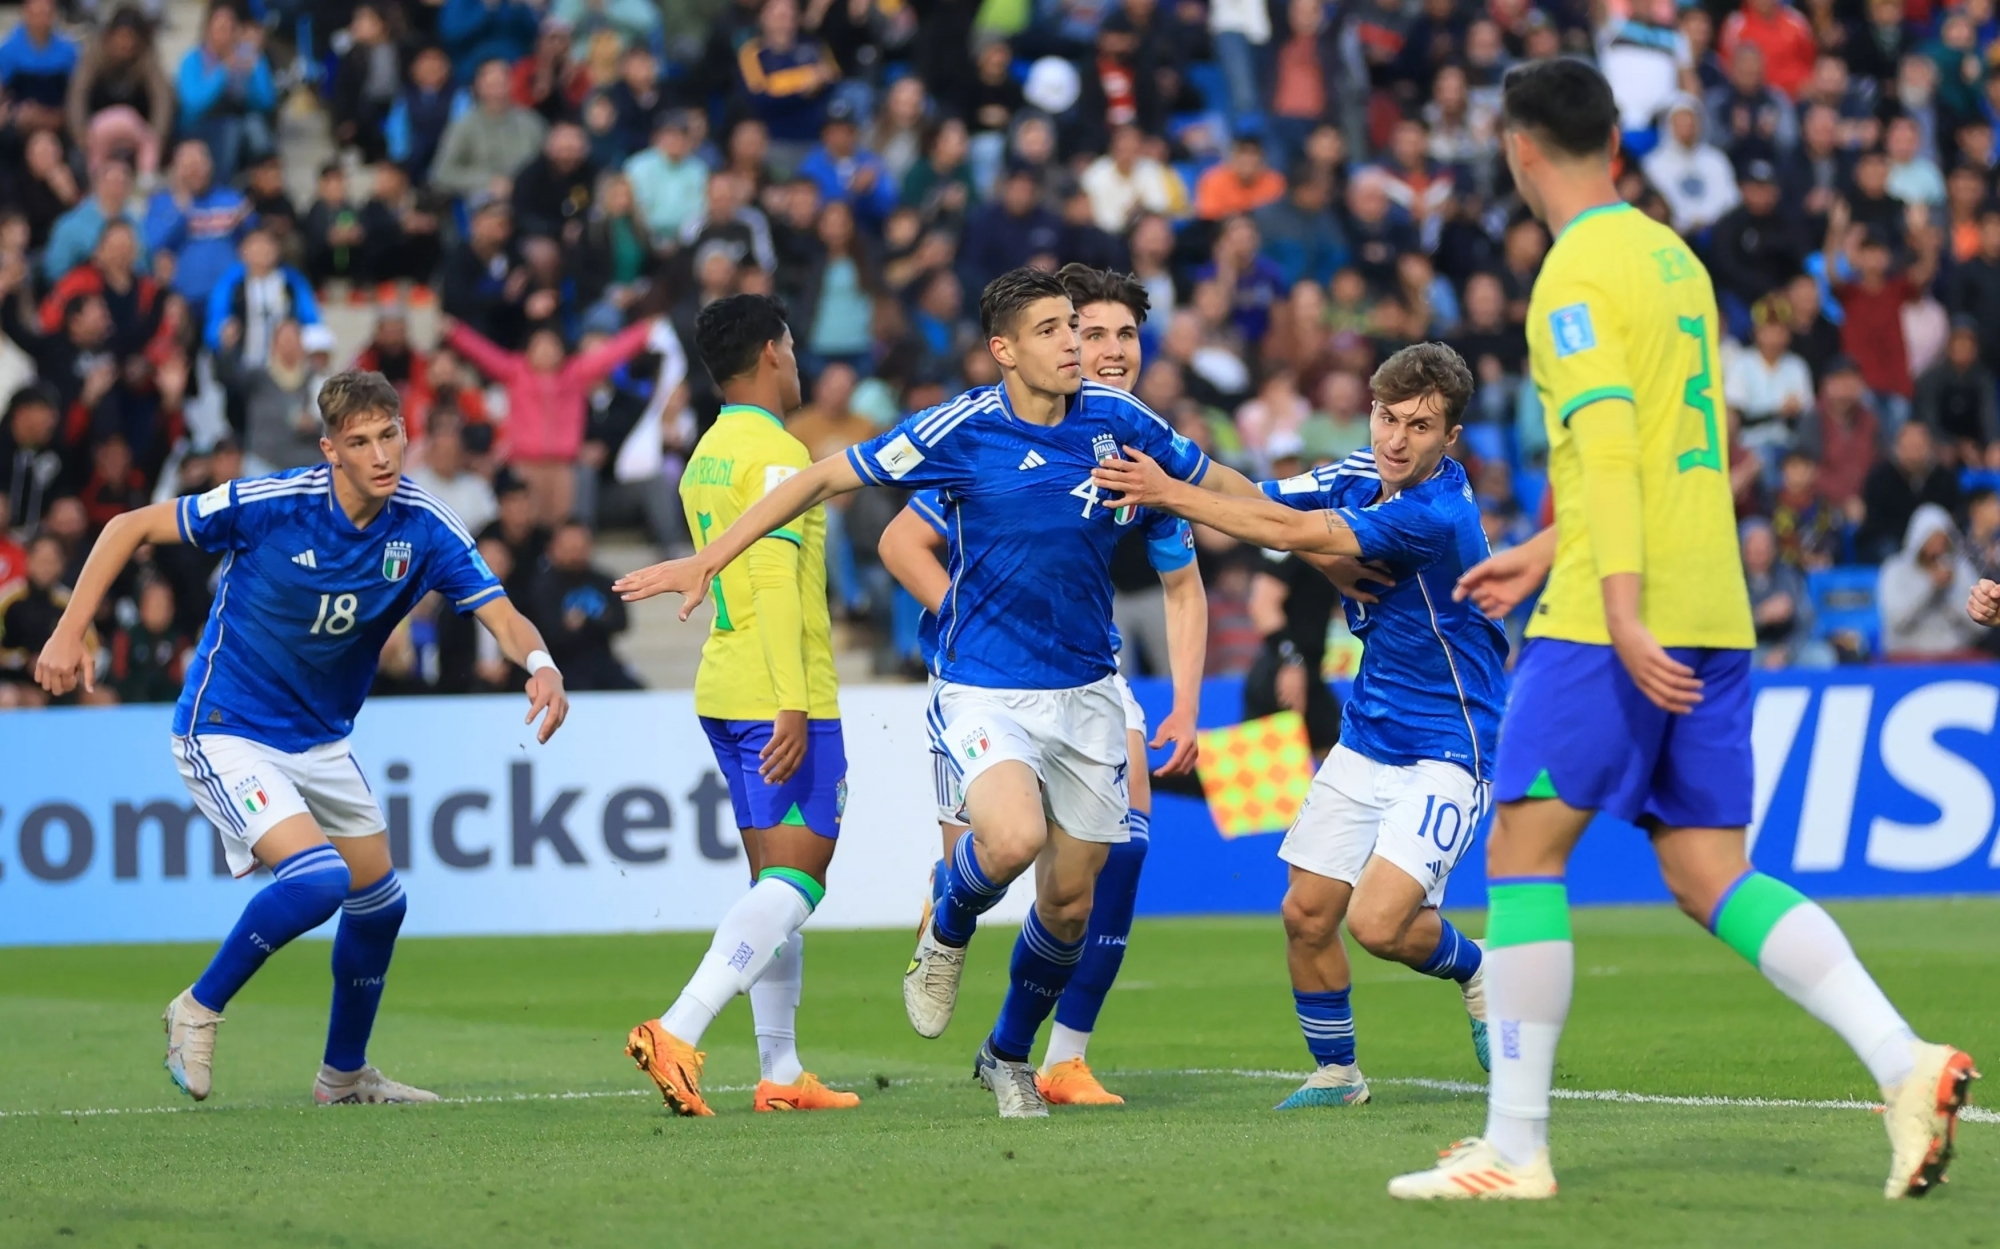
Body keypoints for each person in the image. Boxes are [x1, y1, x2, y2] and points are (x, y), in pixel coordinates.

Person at [1388, 57, 1974, 1203]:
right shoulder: (1673, 255)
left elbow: (1607, 444)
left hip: (1623, 614)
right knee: (1707, 870)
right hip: (1709, 599)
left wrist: (1605, 596)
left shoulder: (1569, 272)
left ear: (1516, 148)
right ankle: (1903, 1064)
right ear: (1614, 140)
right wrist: (1547, 548)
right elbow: (1662, 443)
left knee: (1519, 851)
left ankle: (1512, 1146)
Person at [614, 267, 1268, 1118]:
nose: (1075, 343)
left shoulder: (1120, 422)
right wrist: (709, 557)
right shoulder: (959, 428)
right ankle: (947, 928)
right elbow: (819, 481)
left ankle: (1008, 1053)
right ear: (1004, 349)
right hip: (985, 687)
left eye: (1078, 326)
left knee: (1070, 899)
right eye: (1053, 330)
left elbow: (1221, 486)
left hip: (1089, 691)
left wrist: (1318, 533)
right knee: (1009, 837)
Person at [31, 370, 570, 1105]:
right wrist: (69, 631)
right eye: (360, 441)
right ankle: (196, 1007)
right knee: (319, 880)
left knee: (381, 903)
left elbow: (504, 617)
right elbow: (126, 526)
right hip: (226, 727)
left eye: (390, 435)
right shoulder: (273, 503)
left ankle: (343, 1076)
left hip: (319, 740)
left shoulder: (424, 524)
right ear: (330, 451)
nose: (381, 454)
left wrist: (540, 664)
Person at [1093, 341, 1503, 1109]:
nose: (1394, 439)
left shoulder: (1435, 513)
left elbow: (1295, 534)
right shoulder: (1359, 473)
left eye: (1419, 426)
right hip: (1371, 729)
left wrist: (1167, 491)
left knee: (1381, 923)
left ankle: (1479, 967)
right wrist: (1171, 464)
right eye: (1386, 417)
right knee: (1306, 912)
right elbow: (1253, 494)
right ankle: (1337, 1073)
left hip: (1451, 741)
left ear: (1450, 439)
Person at [876, 264, 1207, 1107]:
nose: (1106, 350)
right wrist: (974, 612)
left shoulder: (1132, 439)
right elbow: (902, 542)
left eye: (1123, 336)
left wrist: (1190, 703)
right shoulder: (993, 434)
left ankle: (1042, 1052)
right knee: (995, 850)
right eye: (1087, 333)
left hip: (1091, 671)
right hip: (983, 677)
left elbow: (1182, 581)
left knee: (1103, 867)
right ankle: (949, 923)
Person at [622, 293, 859, 1117]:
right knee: (802, 876)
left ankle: (782, 1070)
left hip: (724, 685)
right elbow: (768, 579)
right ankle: (680, 1027)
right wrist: (794, 705)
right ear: (771, 352)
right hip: (777, 689)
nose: (797, 360)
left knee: (770, 877)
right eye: (792, 346)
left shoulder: (706, 456)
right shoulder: (779, 454)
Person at [1879, 503, 1986, 658]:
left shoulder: (1961, 569)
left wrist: (1949, 592)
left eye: (1942, 542)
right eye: (1931, 541)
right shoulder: (1895, 570)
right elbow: (1896, 622)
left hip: (1955, 654)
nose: (1938, 550)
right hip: (1906, 654)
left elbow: (1980, 626)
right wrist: (1930, 588)